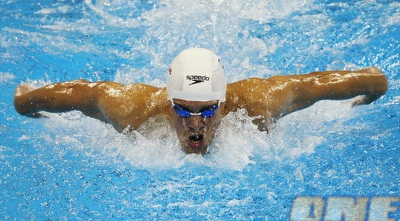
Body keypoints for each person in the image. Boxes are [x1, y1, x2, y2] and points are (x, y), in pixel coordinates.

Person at [14, 48, 388, 154]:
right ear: (168, 100)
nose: (196, 123)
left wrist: (372, 86)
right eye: (184, 110)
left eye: (208, 109)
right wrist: (26, 103)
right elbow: (84, 94)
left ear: (224, 103)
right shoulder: (134, 109)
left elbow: (319, 84)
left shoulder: (259, 103)